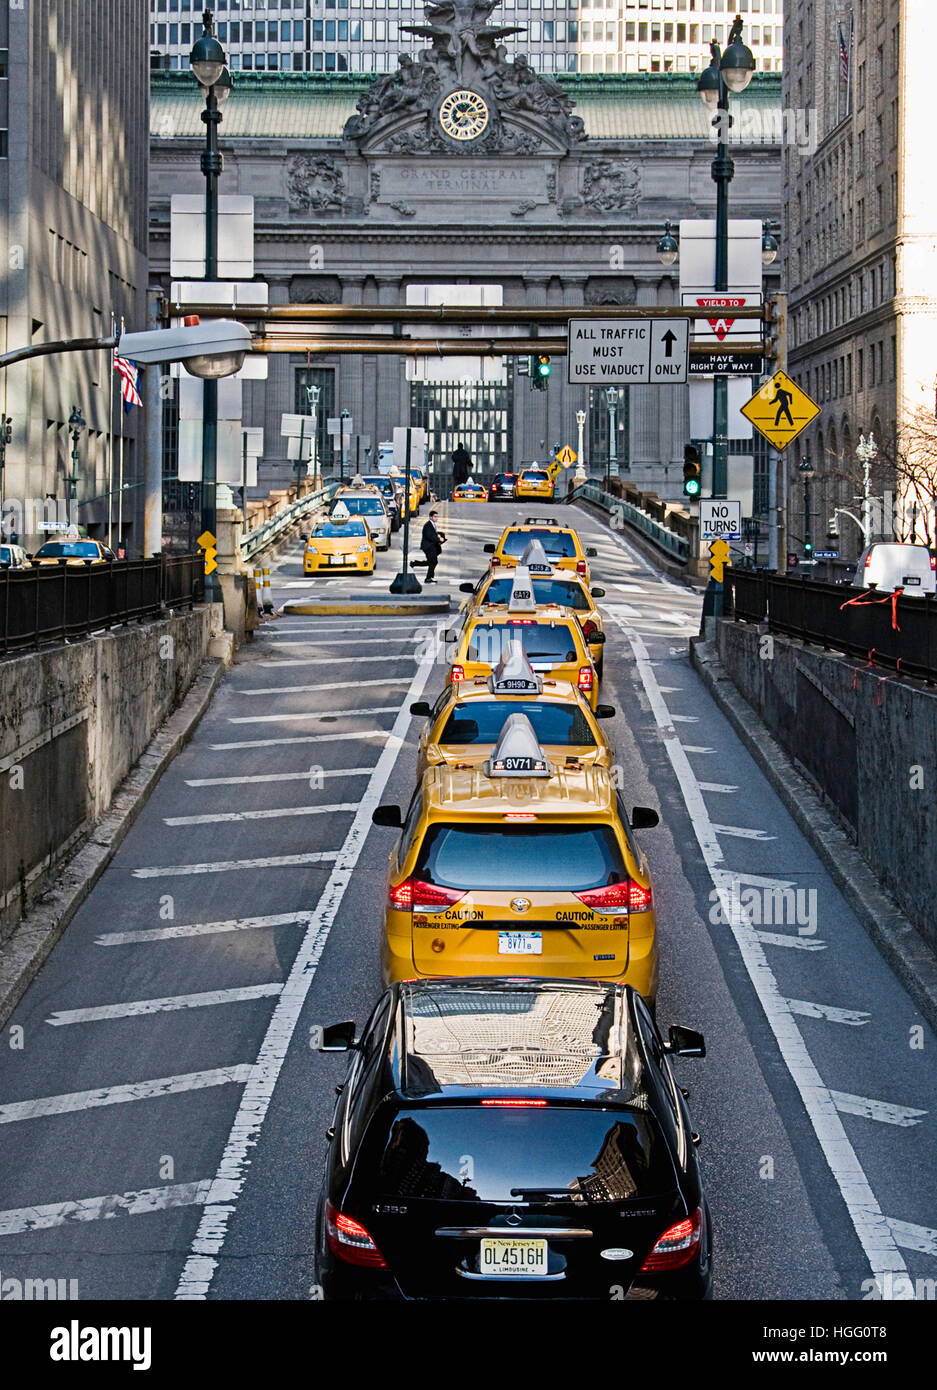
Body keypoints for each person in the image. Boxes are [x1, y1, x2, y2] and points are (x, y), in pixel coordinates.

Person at [421, 508, 446, 582]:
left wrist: (438, 535)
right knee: (433, 562)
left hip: (431, 546)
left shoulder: (432, 525)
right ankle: (428, 578)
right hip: (428, 546)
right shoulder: (428, 525)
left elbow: (432, 534)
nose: (436, 518)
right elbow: (429, 536)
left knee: (431, 562)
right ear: (430, 517)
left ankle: (429, 576)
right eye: (435, 516)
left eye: (437, 517)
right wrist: (439, 539)